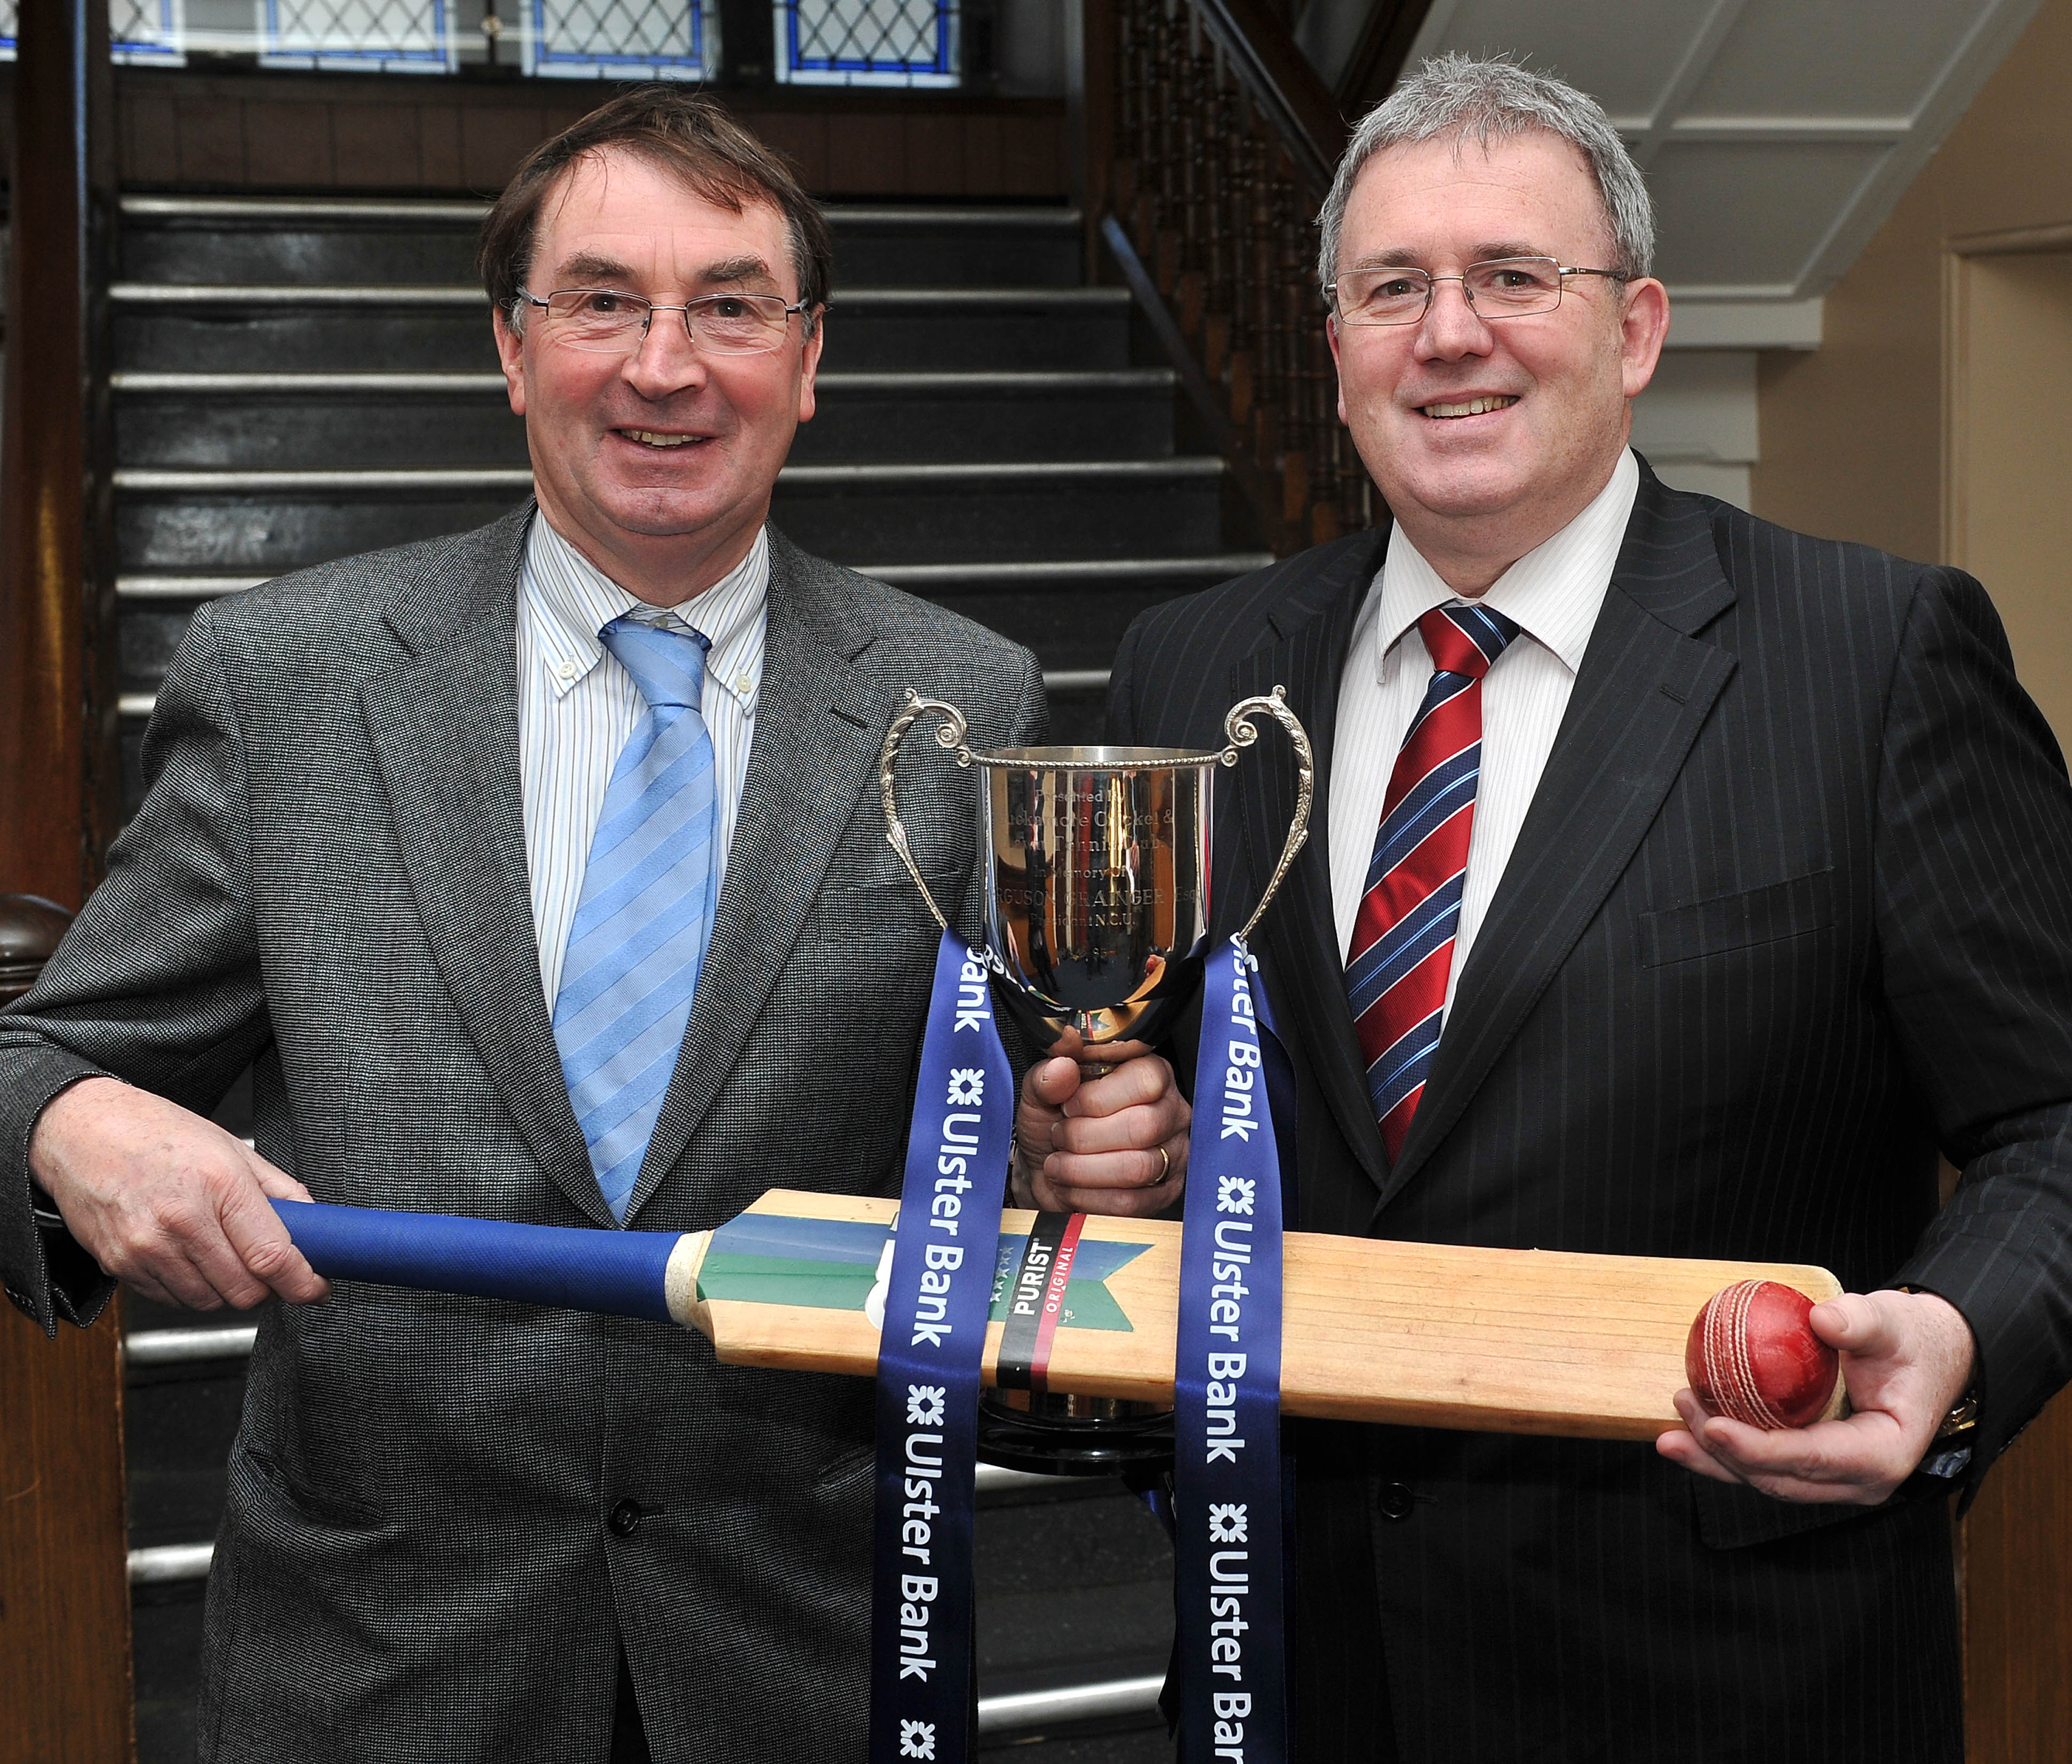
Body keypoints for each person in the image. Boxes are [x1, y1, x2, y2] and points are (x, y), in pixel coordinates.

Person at [0, 91, 1186, 1762]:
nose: (665, 364)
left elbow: (992, 1146)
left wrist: (1092, 1154)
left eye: (729, 304)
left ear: (809, 356)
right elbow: (37, 1052)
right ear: (510, 347)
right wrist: (68, 1116)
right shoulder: (291, 682)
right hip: (384, 1657)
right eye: (604, 300)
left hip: (800, 1646)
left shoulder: (964, 704)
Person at [1109, 53, 2072, 1764]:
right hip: (1294, 1660)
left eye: (1510, 278)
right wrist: (1094, 1139)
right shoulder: (1194, 668)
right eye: (1390, 285)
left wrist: (1958, 1333)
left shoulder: (1871, 656)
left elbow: (2053, 1115)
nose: (1448, 332)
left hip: (1722, 1673)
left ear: (1632, 332)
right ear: (1334, 348)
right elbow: (1172, 1098)